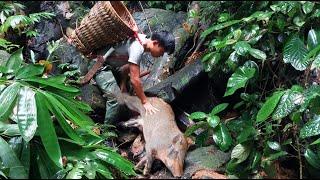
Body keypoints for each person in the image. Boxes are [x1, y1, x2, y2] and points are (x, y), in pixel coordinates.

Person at [92, 30, 175, 123]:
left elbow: (125, 69)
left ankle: (124, 117)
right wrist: (145, 102)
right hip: (98, 65)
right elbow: (135, 81)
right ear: (155, 43)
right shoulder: (137, 48)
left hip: (111, 65)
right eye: (162, 51)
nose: (161, 55)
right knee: (115, 99)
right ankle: (107, 132)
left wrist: (123, 84)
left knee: (128, 91)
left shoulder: (141, 39)